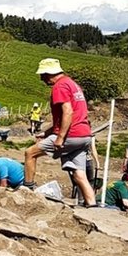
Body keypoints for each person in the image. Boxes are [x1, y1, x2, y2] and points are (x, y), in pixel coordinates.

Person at [23, 58, 96, 207]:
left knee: (30, 153)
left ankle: (27, 189)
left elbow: (67, 112)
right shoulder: (73, 85)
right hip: (84, 135)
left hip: (71, 135)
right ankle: (92, 205)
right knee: (79, 173)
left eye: (42, 75)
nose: (41, 79)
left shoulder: (59, 87)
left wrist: (60, 137)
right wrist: (48, 132)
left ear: (50, 73)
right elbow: (70, 115)